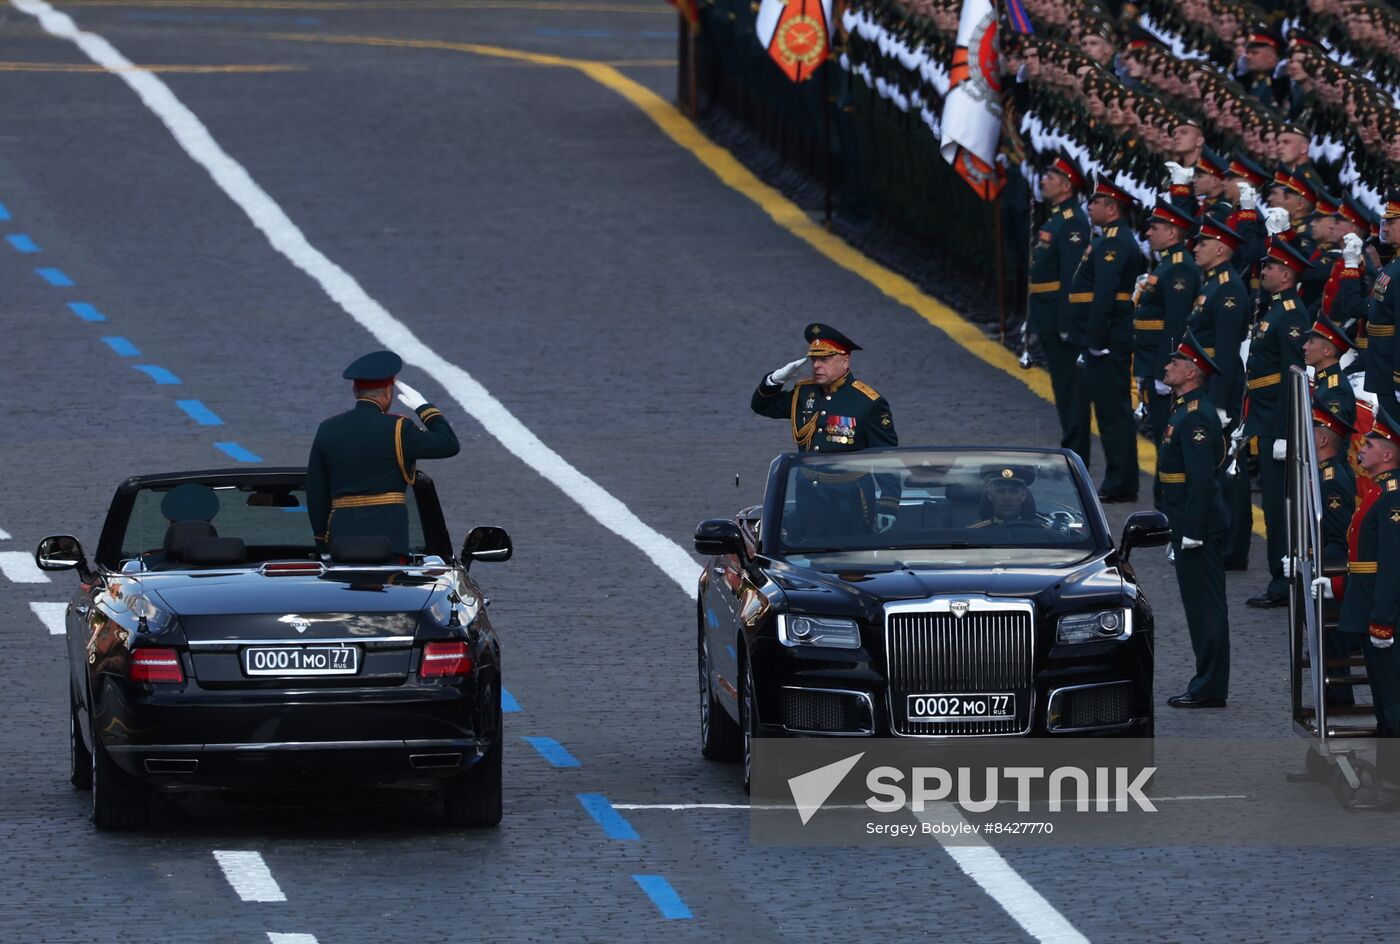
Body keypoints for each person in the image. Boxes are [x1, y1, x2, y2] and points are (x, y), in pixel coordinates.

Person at [306, 351, 460, 558]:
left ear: (355, 390)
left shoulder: (328, 428)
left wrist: (321, 540)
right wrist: (425, 409)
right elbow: (448, 444)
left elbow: (316, 490)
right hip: (389, 535)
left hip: (342, 537)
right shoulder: (399, 428)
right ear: (388, 391)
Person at [1159, 329, 1231, 708]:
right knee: (1198, 607)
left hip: (1197, 527)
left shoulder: (1196, 417)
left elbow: (1201, 482)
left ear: (1192, 373)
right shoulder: (1185, 410)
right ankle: (1208, 682)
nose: (1168, 366)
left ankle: (1209, 686)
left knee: (1205, 609)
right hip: (1187, 523)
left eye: (1176, 362)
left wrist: (1192, 532)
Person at [1245, 239, 1315, 608]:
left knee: (1279, 507)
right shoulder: (1275, 309)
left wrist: (1289, 431)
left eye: (1270, 267)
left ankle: (1283, 581)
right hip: (1265, 417)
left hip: (1278, 423)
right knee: (1273, 506)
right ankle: (1280, 576)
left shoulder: (1290, 314)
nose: (1264, 272)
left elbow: (1295, 375)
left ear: (1286, 274)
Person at [1337, 407, 1400, 809]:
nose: (1363, 446)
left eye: (1372, 443)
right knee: (1384, 701)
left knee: (1393, 705)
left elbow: (1391, 567)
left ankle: (1393, 788)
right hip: (1369, 608)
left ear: (1389, 455)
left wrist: (1382, 622)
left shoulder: (1392, 499)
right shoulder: (1377, 492)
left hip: (1384, 618)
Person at [1068, 176, 1144, 502]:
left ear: (1111, 209)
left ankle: (1120, 481)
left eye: (1096, 201)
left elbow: (1104, 296)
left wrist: (1095, 340)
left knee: (1113, 414)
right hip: (1105, 336)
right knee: (1111, 412)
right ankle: (1119, 478)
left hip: (1108, 338)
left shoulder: (1114, 243)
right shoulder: (1108, 239)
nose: (1090, 205)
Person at [1189, 216, 1252, 570]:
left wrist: (1219, 402)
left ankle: (1233, 546)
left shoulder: (1228, 288)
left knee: (1229, 470)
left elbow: (1226, 351)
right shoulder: (1213, 282)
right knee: (1213, 467)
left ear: (1222, 249)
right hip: (1206, 386)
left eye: (1203, 243)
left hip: (1219, 391)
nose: (1195, 247)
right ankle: (1220, 536)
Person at [1027, 153, 1093, 463]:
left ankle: (1075, 452)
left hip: (1058, 316)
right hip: (1046, 313)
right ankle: (1070, 447)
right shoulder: (1057, 216)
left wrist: (1068, 322)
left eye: (1050, 177)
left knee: (1071, 390)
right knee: (1062, 386)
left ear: (1066, 186)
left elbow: (1072, 277)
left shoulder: (1072, 221)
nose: (1043, 180)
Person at [751, 323, 897, 453]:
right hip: (807, 481)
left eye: (824, 359)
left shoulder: (868, 402)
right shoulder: (804, 392)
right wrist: (774, 379)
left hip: (846, 482)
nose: (816, 365)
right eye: (814, 359)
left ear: (845, 361)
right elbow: (761, 406)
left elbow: (885, 459)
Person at [1133, 200, 1202, 460]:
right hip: (1151, 358)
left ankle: (1168, 496)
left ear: (1172, 232)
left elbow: (1176, 321)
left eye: (1155, 227)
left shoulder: (1179, 267)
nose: (1148, 233)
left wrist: (1166, 368)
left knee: (1168, 437)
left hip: (1162, 362)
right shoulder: (1167, 263)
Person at [1366, 194, 1400, 408]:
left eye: (1392, 222)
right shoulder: (1394, 262)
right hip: (1382, 363)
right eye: (1384, 222)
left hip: (1391, 369)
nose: (1385, 228)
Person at [968, 466, 1048, 529]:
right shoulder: (972, 536)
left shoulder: (1044, 535)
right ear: (990, 494)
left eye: (1014, 491)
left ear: (1024, 495)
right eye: (1000, 491)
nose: (1007, 498)